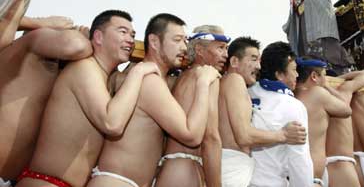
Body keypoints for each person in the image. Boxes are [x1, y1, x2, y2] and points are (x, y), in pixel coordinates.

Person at [15, 10, 160, 187]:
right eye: (123, 32)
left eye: (133, 35)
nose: (130, 39)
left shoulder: (105, 77)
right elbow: (112, 123)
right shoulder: (84, 69)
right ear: (98, 37)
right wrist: (138, 71)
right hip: (47, 182)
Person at [87, 14, 221, 187]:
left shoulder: (148, 77)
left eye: (185, 41)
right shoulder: (149, 81)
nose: (184, 47)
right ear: (154, 42)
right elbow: (192, 135)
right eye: (177, 40)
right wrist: (203, 83)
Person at [0, 25, 92, 184]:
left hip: (14, 178)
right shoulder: (21, 47)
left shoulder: (52, 76)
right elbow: (75, 46)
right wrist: (81, 36)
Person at [219, 37, 307, 187]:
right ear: (234, 62)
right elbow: (244, 136)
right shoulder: (235, 80)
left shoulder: (231, 85)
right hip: (233, 170)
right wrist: (283, 135)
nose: (258, 66)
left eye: (259, 60)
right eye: (253, 59)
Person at [156, 25, 228, 187]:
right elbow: (211, 138)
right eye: (221, 48)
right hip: (185, 170)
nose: (226, 55)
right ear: (199, 50)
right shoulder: (208, 76)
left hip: (171, 168)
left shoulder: (183, 77)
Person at [248, 41, 313, 187]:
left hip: (237, 180)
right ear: (279, 75)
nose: (297, 75)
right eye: (294, 70)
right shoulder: (292, 106)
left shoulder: (244, 94)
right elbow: (299, 159)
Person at [282, 0, 362, 74]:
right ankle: (313, 72)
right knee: (306, 49)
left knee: (324, 44)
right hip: (302, 21)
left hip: (317, 17)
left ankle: (337, 71)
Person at [294, 57, 352, 187]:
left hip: (295, 175)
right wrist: (327, 87)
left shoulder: (290, 96)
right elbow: (346, 110)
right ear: (314, 76)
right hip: (312, 177)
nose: (326, 80)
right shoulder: (317, 93)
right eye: (324, 76)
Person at [324, 70, 364, 187]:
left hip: (320, 168)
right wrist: (336, 80)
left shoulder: (306, 95)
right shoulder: (343, 92)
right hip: (342, 166)